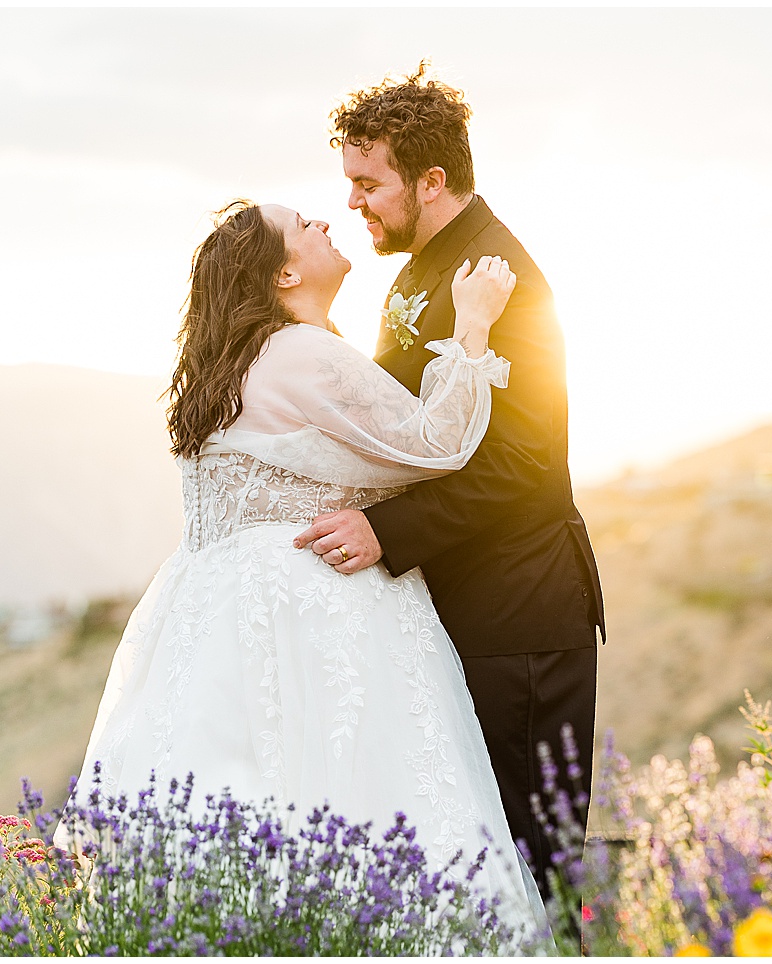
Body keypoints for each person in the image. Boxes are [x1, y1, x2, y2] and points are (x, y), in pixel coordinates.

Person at [63, 199, 547, 934]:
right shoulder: (302, 352)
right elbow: (436, 443)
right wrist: (474, 320)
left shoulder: (235, 367)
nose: (326, 221)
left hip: (214, 620)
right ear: (285, 271)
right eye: (305, 226)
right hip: (321, 609)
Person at [294, 65, 604, 897]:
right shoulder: (421, 268)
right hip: (461, 608)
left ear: (431, 181)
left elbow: (525, 466)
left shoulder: (504, 278)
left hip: (520, 618)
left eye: (369, 183)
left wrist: (385, 534)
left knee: (533, 871)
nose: (355, 202)